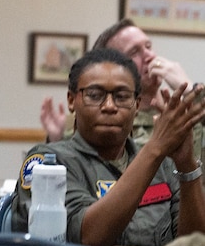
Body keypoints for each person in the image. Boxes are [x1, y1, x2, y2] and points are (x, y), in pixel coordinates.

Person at [11, 48, 205, 246]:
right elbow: (89, 238)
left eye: (122, 97)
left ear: (137, 104)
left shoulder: (164, 166)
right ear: (71, 100)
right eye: (95, 95)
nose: (110, 106)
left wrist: (186, 165)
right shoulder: (47, 162)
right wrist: (154, 148)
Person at [40, 19, 201, 161]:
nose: (150, 56)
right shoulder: (106, 120)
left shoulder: (183, 111)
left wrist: (193, 91)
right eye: (135, 52)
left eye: (148, 46)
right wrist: (57, 138)